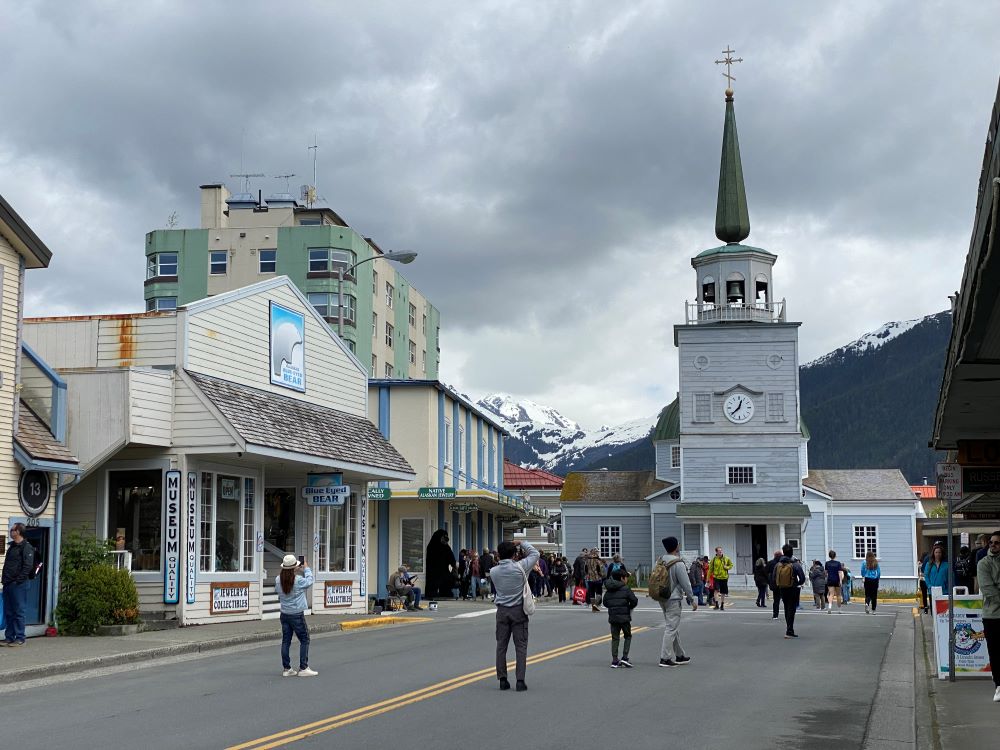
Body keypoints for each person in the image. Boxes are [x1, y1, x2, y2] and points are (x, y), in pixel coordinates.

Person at [491, 539, 539, 691]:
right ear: (514, 554)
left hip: (502, 611)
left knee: (501, 646)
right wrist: (522, 542)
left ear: (499, 555)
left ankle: (502, 679)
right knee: (521, 646)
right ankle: (520, 680)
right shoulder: (521, 567)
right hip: (518, 609)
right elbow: (535, 553)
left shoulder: (494, 571)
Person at [275, 554, 317, 677]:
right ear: (294, 568)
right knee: (304, 639)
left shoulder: (278, 579)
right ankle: (303, 667)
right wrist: (306, 568)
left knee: (286, 640)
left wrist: (297, 568)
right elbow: (310, 581)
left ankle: (287, 668)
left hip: (284, 613)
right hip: (296, 614)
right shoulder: (297, 580)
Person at [657, 537, 697, 667]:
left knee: (673, 627)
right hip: (673, 599)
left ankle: (680, 655)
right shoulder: (678, 563)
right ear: (675, 546)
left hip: (662, 597)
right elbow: (686, 583)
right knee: (671, 628)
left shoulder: (659, 561)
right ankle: (665, 657)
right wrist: (692, 599)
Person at [976, 531, 1000, 703]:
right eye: (991, 542)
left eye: (997, 543)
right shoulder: (983, 563)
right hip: (992, 615)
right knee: (996, 652)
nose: (993, 545)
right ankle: (999, 685)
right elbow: (988, 588)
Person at [1, 523, 34, 647]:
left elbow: (27, 566)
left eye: (12, 530)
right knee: (9, 612)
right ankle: (9, 637)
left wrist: (18, 580)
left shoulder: (26, 547)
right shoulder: (12, 546)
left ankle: (20, 638)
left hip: (19, 585)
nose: (10, 531)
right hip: (8, 584)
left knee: (19, 611)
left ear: (18, 532)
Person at [603, 568, 638, 668]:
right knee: (627, 636)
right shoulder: (626, 589)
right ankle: (625, 657)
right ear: (622, 578)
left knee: (615, 637)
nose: (627, 579)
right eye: (626, 577)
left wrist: (612, 606)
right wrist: (629, 607)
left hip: (613, 617)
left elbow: (605, 602)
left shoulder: (609, 589)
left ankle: (614, 660)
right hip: (624, 617)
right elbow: (634, 601)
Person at [772, 544, 806, 638]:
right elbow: (802, 578)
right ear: (792, 552)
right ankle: (789, 630)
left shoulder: (778, 564)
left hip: (782, 588)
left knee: (787, 608)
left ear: (783, 552)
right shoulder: (795, 564)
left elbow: (774, 577)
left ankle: (789, 628)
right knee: (792, 609)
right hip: (793, 588)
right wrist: (797, 583)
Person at [424, 529, 456, 599]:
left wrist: (453, 565)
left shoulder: (446, 547)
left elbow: (451, 557)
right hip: (433, 569)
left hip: (444, 569)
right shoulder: (432, 546)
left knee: (446, 580)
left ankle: (445, 592)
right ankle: (431, 593)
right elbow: (430, 559)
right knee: (433, 582)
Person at [709, 546, 733, 610]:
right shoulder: (713, 559)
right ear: (716, 552)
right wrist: (708, 578)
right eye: (719, 551)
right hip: (716, 577)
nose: (720, 552)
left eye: (721, 551)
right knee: (716, 591)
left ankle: (722, 605)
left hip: (724, 577)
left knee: (723, 592)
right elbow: (710, 569)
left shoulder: (726, 558)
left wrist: (727, 567)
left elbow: (731, 565)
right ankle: (716, 604)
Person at [585, 548, 605, 613]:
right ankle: (595, 605)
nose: (598, 553)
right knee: (599, 592)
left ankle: (593, 607)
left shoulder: (587, 560)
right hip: (597, 578)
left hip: (589, 579)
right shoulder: (598, 560)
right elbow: (601, 570)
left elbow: (585, 569)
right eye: (597, 552)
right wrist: (602, 575)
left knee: (592, 593)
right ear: (595, 552)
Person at [765, 550, 783, 619]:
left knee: (776, 600)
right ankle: (788, 614)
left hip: (775, 584)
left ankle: (775, 615)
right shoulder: (784, 563)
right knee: (787, 600)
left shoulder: (770, 563)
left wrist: (769, 582)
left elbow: (765, 572)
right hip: (784, 583)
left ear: (774, 556)